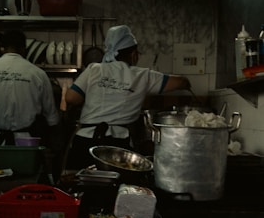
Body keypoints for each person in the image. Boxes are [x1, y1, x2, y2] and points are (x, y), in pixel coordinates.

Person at [64, 24, 192, 169]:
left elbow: (71, 98)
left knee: (78, 185)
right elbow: (181, 82)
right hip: (118, 145)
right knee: (117, 188)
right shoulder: (143, 75)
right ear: (133, 54)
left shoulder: (94, 69)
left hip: (85, 141)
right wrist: (187, 83)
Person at [0, 29, 60, 146]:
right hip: (29, 142)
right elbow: (51, 116)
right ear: (24, 48)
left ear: (1, 48)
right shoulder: (38, 74)